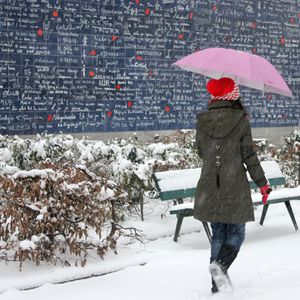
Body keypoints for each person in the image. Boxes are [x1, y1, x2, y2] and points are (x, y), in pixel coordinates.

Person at [193, 77, 272, 293]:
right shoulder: (241, 120)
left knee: (219, 232)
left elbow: (201, 152)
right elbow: (248, 155)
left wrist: (217, 153)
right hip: (234, 183)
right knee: (237, 232)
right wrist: (262, 184)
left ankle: (216, 285)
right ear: (233, 96)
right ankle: (220, 266)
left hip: (210, 185)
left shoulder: (202, 120)